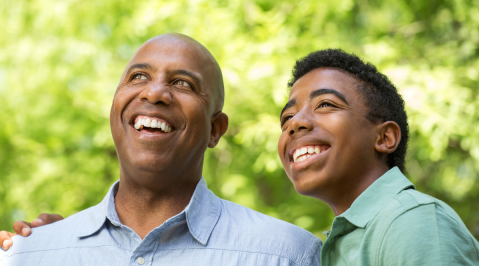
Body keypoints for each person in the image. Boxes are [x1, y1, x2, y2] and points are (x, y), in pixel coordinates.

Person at [0, 33, 321, 265]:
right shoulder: (29, 255)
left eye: (183, 83)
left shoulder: (288, 255)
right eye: (138, 76)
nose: (154, 93)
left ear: (215, 130)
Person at [277, 49, 479, 265]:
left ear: (384, 138)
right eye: (287, 117)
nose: (294, 123)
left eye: (326, 104)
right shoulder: (349, 241)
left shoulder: (411, 220)